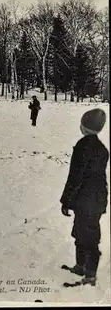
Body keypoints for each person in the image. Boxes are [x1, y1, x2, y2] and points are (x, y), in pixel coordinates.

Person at [60, 108, 108, 286]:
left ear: (84, 127)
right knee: (83, 232)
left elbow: (75, 176)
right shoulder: (102, 149)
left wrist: (66, 200)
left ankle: (90, 274)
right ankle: (81, 266)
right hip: (96, 199)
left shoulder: (82, 147)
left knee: (87, 236)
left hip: (84, 200)